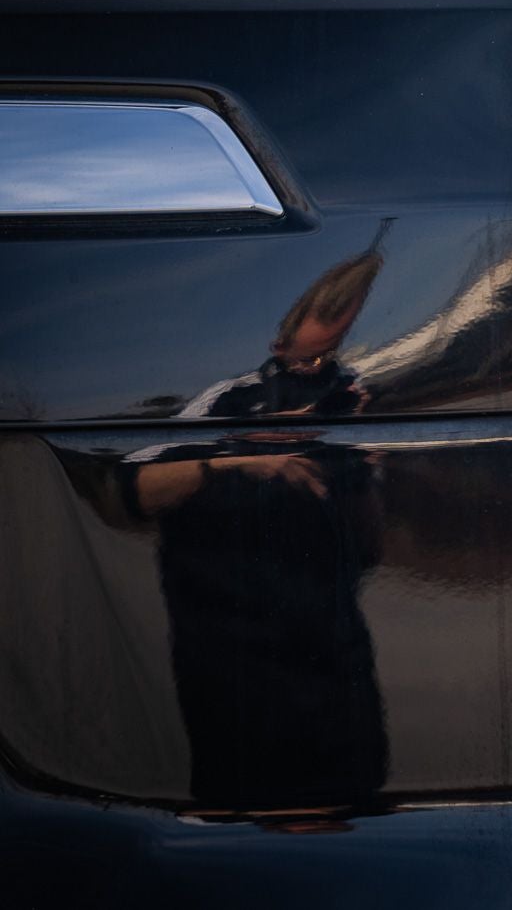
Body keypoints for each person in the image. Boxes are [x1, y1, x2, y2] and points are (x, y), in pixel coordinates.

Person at [120, 229, 392, 812]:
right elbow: (132, 490)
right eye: (302, 362)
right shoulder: (225, 400)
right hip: (231, 670)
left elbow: (371, 550)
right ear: (275, 340)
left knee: (351, 814)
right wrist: (245, 459)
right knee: (236, 818)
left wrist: (357, 460)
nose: (312, 380)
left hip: (334, 666)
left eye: (328, 363)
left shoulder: (355, 412)